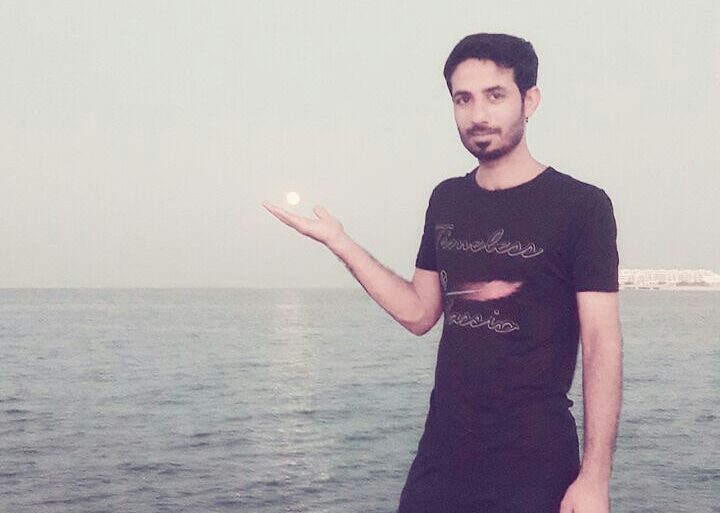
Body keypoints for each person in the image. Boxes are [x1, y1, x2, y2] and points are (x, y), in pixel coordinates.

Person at [262, 32, 622, 513]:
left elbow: (601, 342)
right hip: (442, 457)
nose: (478, 114)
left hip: (536, 463)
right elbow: (419, 312)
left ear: (530, 101)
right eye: (463, 99)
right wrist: (340, 242)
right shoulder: (447, 199)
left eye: (495, 95)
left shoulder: (582, 206)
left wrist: (594, 477)